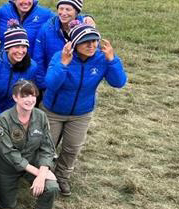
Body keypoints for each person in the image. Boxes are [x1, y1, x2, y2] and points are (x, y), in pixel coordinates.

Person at [42, 21, 127, 196]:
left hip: (81, 113)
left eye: (94, 41)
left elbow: (118, 82)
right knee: (47, 146)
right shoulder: (61, 56)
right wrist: (64, 64)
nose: (91, 45)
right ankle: (44, 175)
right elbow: (50, 83)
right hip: (54, 111)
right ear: (74, 43)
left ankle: (62, 177)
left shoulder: (102, 59)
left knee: (72, 147)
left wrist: (112, 60)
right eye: (85, 41)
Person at [0, 80, 59, 209]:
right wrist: (38, 173)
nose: (30, 99)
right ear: (15, 98)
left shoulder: (41, 116)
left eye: (33, 95)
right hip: (8, 167)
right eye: (24, 96)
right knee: (7, 205)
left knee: (51, 187)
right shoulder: (4, 119)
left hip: (32, 160)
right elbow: (9, 153)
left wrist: (42, 174)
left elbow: (47, 147)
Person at [0, 20, 42, 114]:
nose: (20, 51)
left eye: (24, 47)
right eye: (16, 47)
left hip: (18, 113)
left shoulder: (32, 66)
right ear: (7, 48)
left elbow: (29, 94)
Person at [33, 0, 84, 82]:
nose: (63, 13)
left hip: (76, 84)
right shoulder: (46, 29)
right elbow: (38, 59)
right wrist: (43, 84)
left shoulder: (85, 29)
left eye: (68, 9)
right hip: (53, 81)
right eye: (61, 8)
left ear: (76, 12)